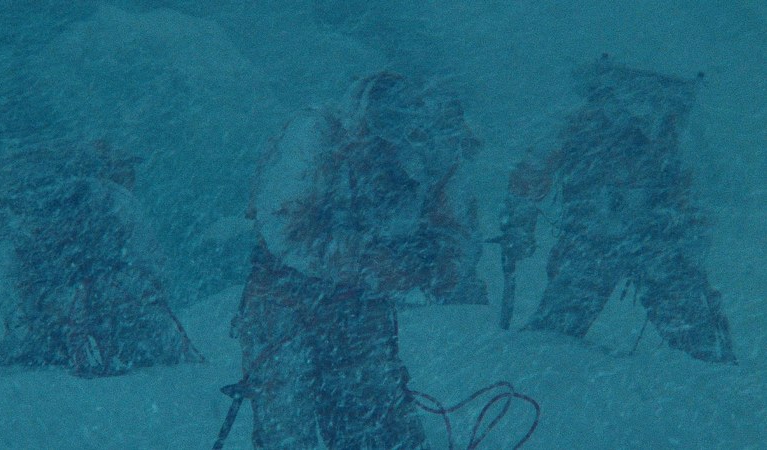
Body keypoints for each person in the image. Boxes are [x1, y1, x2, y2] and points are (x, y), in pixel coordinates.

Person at [231, 72, 487, 449]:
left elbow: (456, 234)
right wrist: (372, 263)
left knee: (379, 420)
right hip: (285, 300)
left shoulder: (439, 153)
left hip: (363, 306)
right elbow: (287, 227)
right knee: (288, 419)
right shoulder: (316, 134)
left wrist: (432, 269)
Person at [499, 55, 736, 363]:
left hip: (638, 243)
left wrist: (690, 242)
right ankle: (539, 366)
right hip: (609, 243)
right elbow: (532, 172)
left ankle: (537, 366)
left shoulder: (666, 134)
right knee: (558, 328)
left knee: (695, 339)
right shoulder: (590, 126)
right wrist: (518, 222)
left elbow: (692, 197)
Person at [0, 141, 203, 377]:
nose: (132, 175)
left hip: (51, 309)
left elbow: (9, 284)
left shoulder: (29, 213)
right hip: (112, 304)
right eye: (126, 167)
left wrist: (31, 316)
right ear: (109, 168)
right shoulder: (116, 199)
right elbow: (151, 260)